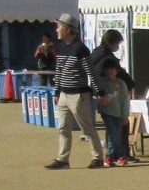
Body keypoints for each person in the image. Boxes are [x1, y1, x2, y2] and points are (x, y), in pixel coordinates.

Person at [45, 12, 110, 170]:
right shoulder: (60, 47)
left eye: (59, 26)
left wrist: (100, 93)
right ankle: (63, 159)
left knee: (87, 127)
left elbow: (90, 73)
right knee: (63, 128)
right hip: (64, 95)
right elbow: (59, 72)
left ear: (67, 29)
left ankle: (97, 158)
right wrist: (56, 92)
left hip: (79, 95)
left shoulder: (81, 49)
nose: (56, 29)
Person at [97, 55, 132, 166]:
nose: (110, 72)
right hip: (106, 112)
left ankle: (109, 156)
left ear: (117, 71)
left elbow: (125, 100)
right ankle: (121, 156)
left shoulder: (121, 83)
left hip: (118, 113)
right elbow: (96, 94)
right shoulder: (102, 82)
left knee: (115, 135)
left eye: (112, 70)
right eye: (107, 69)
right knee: (113, 133)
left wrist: (125, 115)